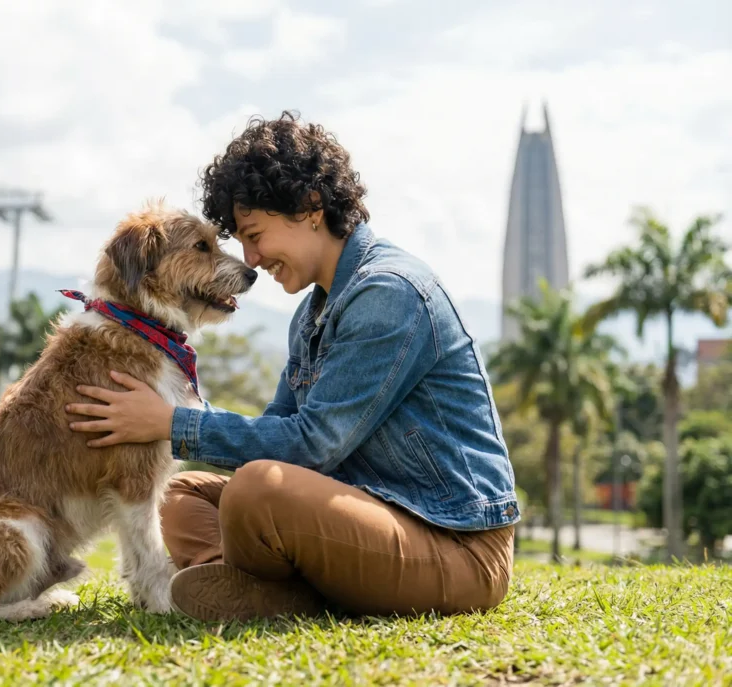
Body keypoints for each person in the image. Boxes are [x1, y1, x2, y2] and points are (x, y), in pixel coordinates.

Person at [65, 111, 519, 622]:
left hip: (453, 544)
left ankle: (278, 591)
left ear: (311, 208)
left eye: (254, 234)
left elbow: (311, 446)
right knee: (178, 496)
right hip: (365, 512)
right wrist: (171, 421)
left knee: (257, 489)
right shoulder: (314, 312)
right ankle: (271, 593)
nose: (251, 259)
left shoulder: (387, 294)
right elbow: (275, 430)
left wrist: (171, 424)